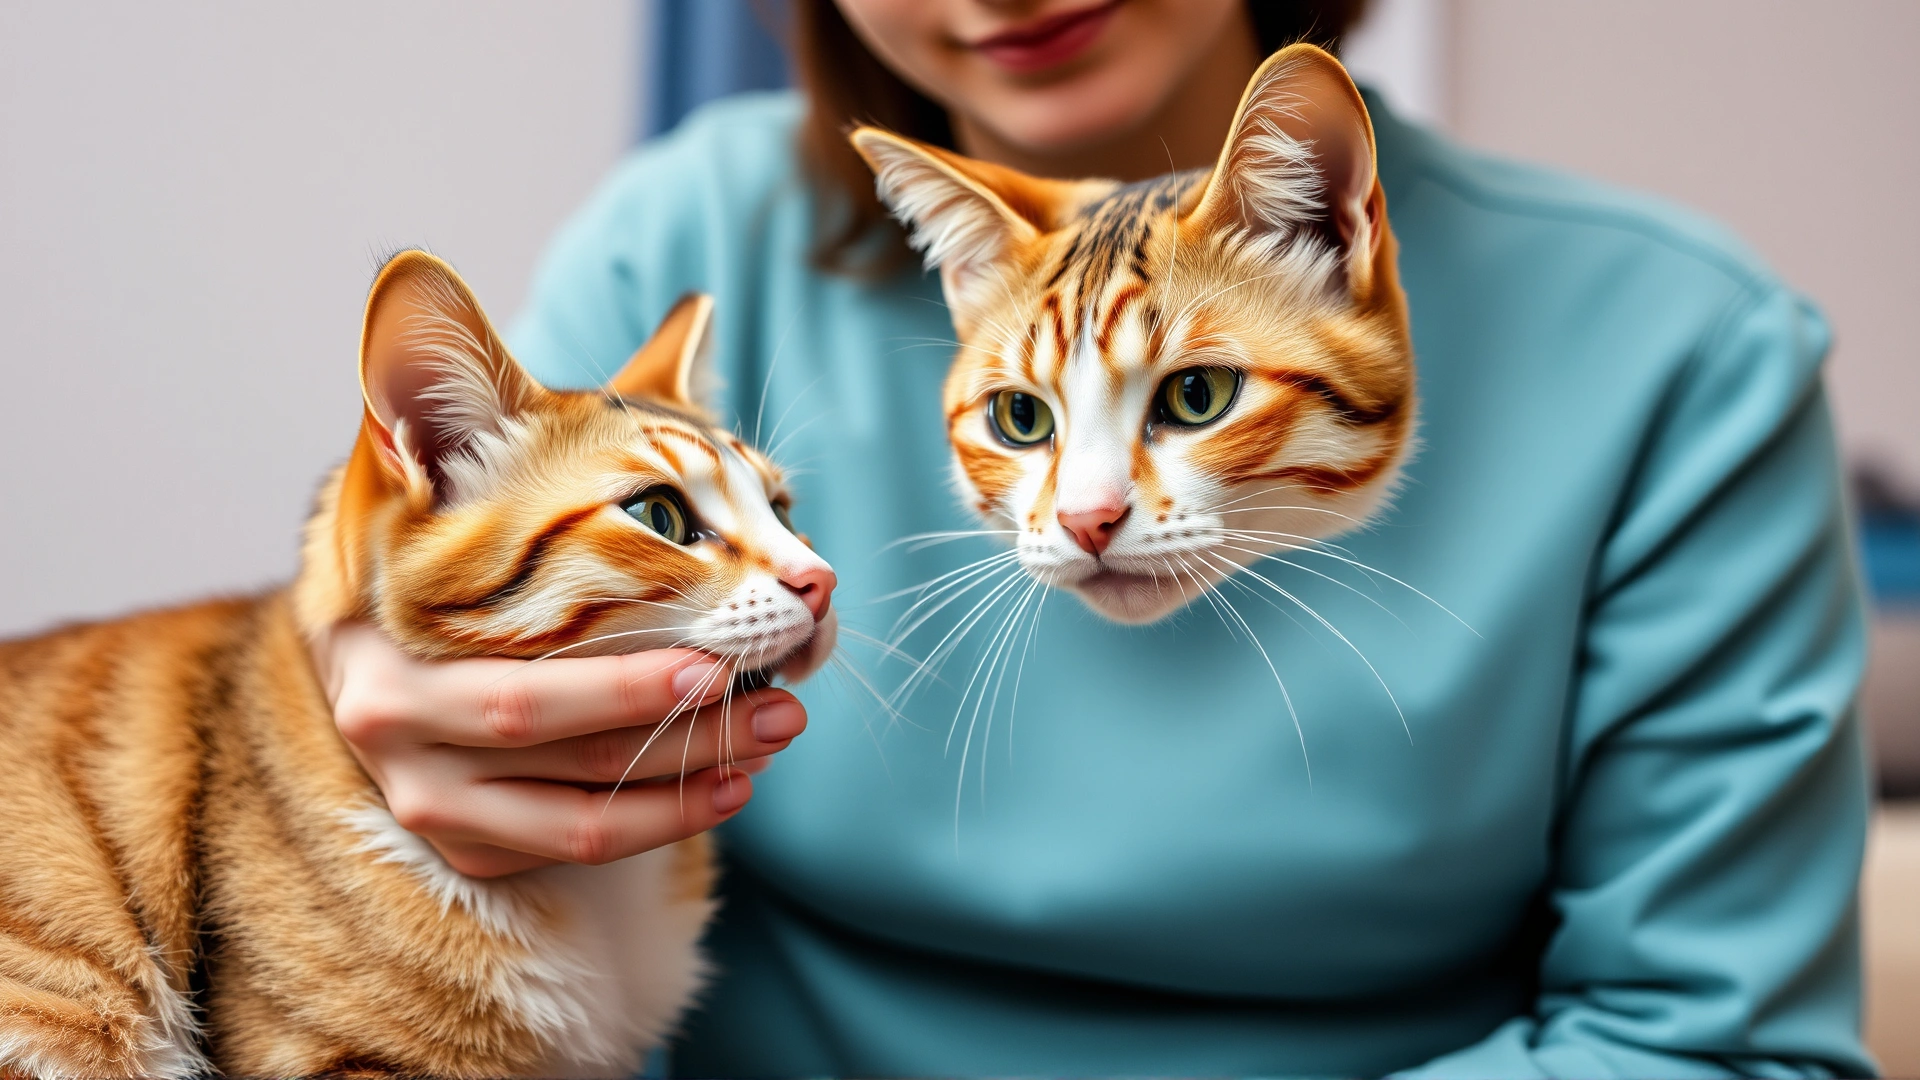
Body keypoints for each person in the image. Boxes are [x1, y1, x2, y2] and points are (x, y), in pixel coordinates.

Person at [312, 1, 1877, 1075]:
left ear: (1331, 223)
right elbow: (366, 684)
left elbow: (1717, 1040)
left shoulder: (1679, 349)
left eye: (1193, 392)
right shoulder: (694, 250)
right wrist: (368, 737)